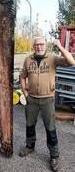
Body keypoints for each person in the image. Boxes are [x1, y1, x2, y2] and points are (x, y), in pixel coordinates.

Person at [19, 37, 75, 172]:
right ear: (33, 46)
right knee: (29, 125)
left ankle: (54, 155)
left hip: (48, 99)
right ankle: (30, 146)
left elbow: (71, 61)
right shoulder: (28, 59)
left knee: (50, 128)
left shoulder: (52, 58)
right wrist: (25, 93)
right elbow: (22, 76)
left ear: (46, 45)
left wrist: (60, 47)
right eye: (37, 44)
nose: (39, 47)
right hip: (31, 99)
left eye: (42, 44)